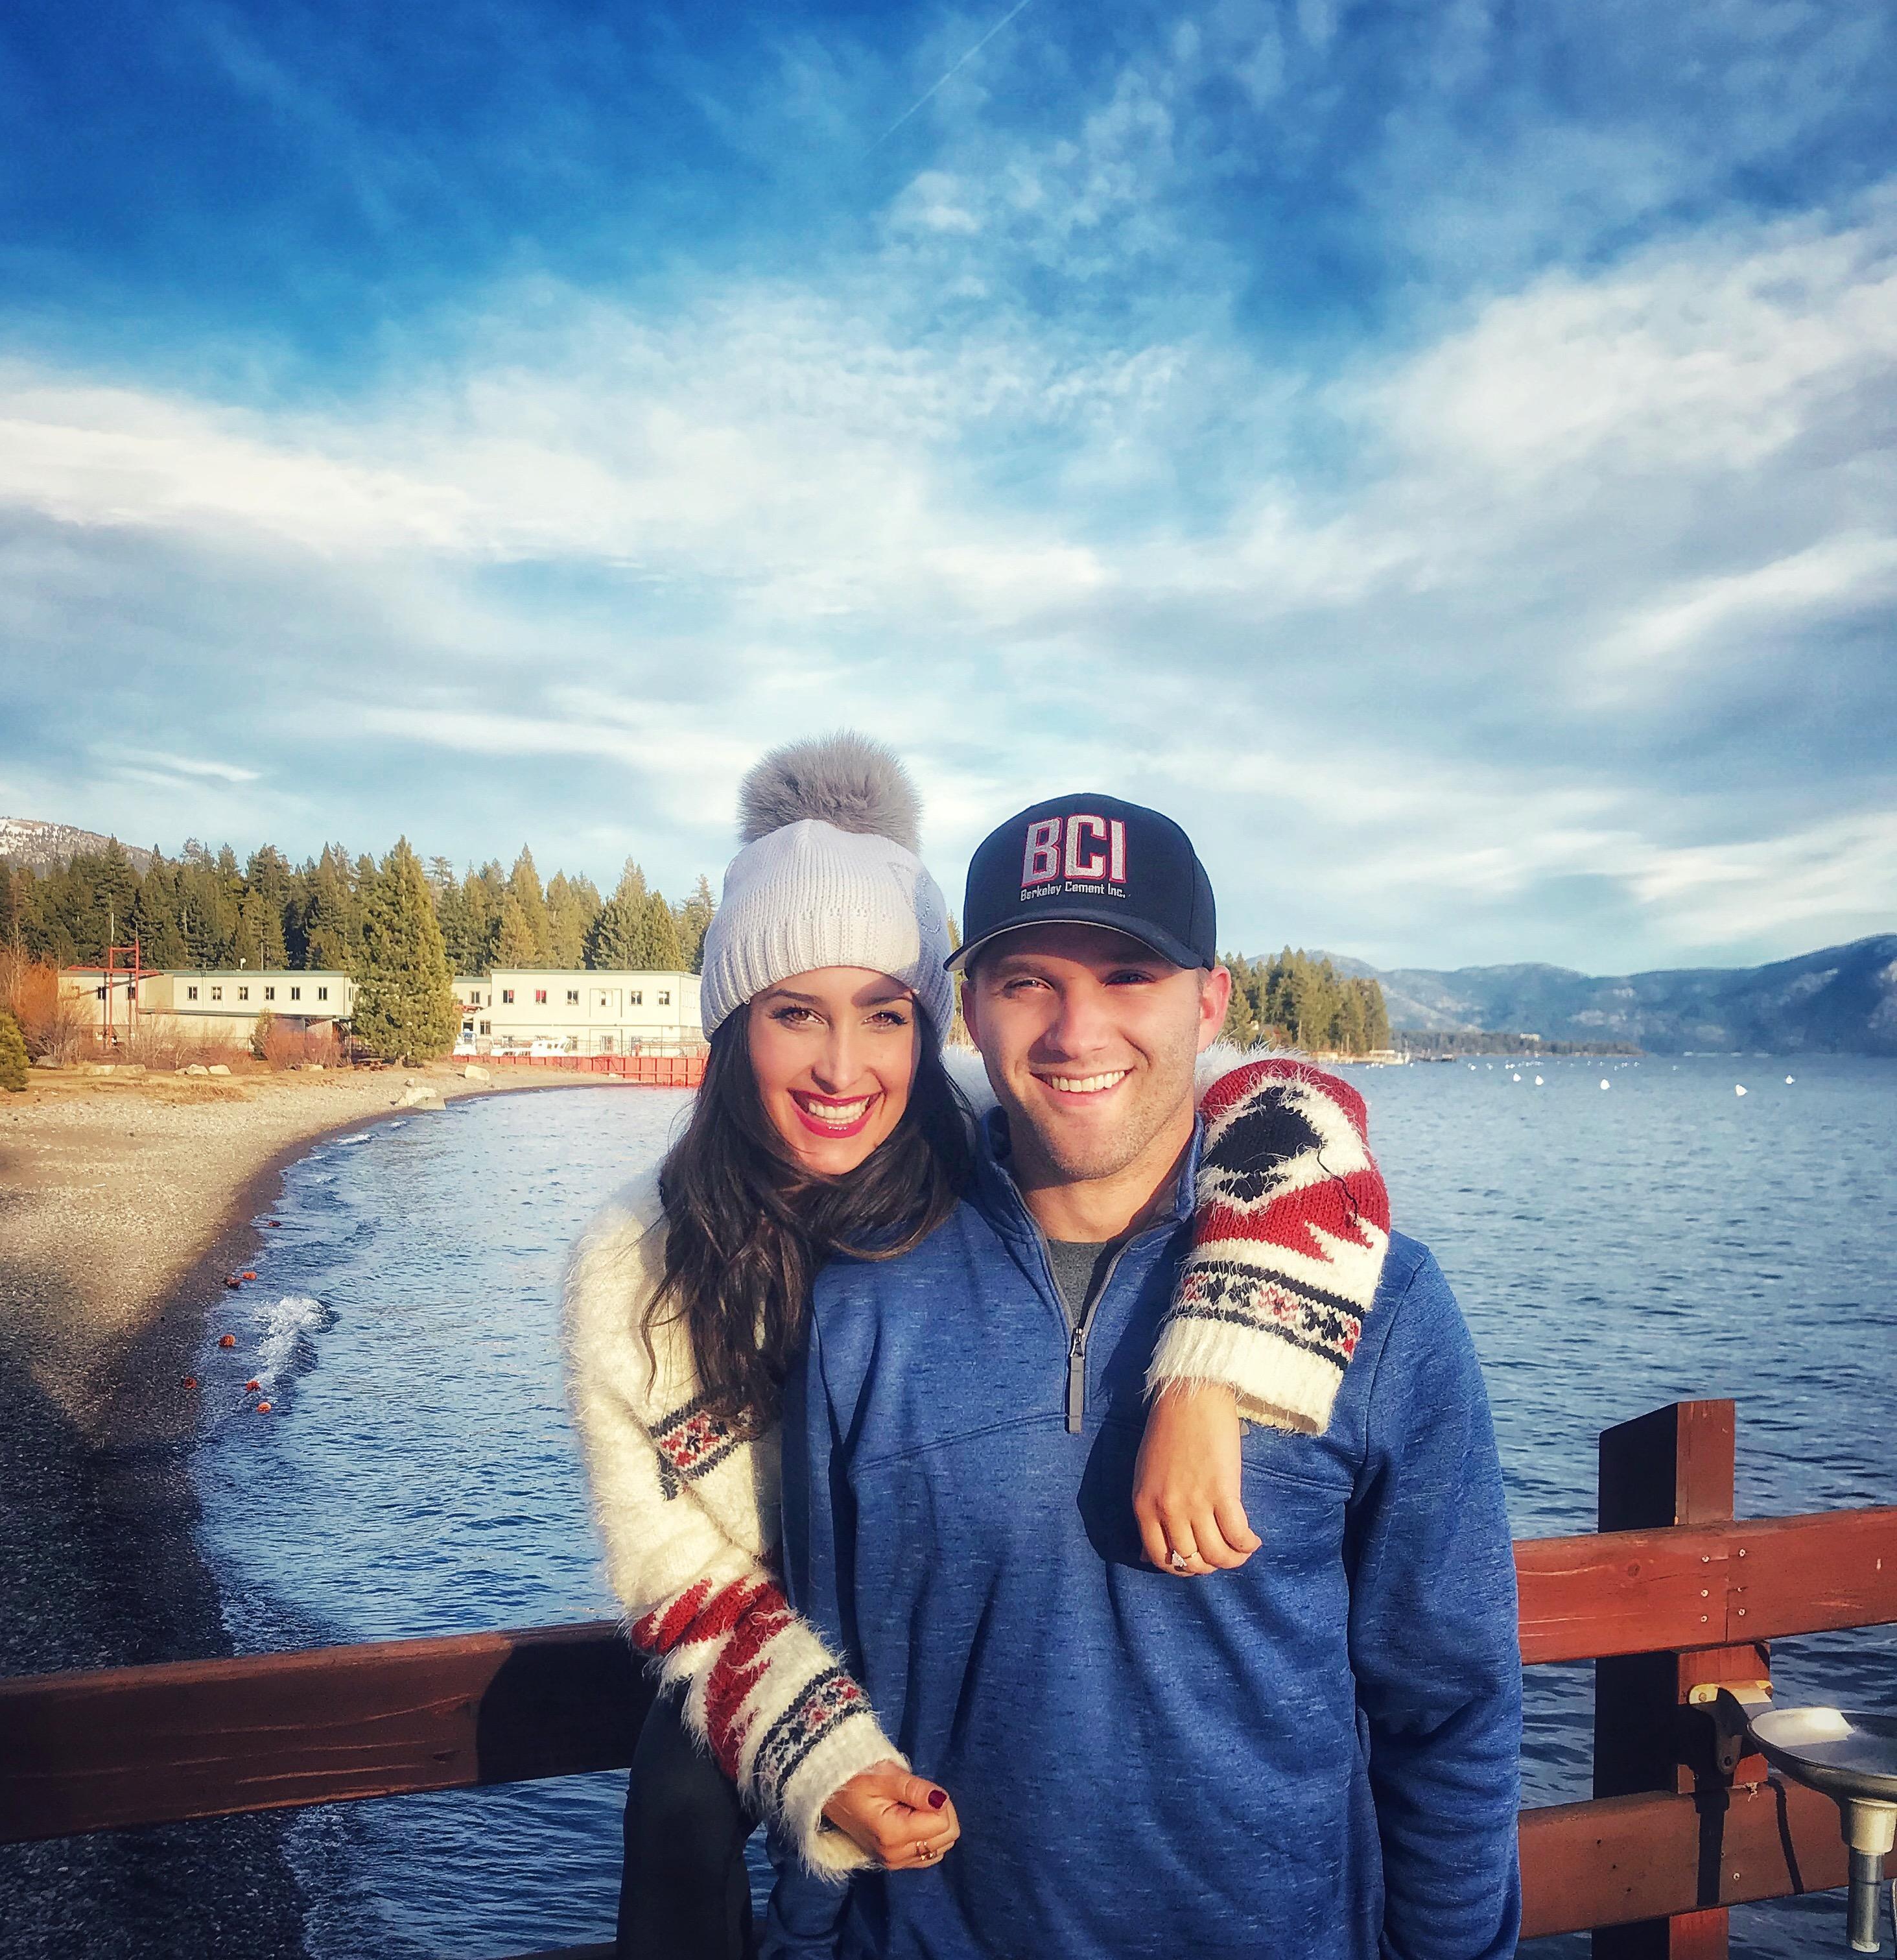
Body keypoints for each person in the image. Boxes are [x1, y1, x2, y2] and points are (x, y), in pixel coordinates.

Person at [563, 746, 1404, 1959]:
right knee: (680, 1801)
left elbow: (1290, 1110)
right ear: (731, 1027)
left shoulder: (975, 1128)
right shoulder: (633, 1272)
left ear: (930, 1023)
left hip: (958, 1634)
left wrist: (1216, 1366)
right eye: (795, 1013)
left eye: (884, 1014)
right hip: (791, 1633)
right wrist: (824, 1757)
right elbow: (676, 1575)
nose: (843, 1067)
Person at [768, 792, 1523, 1960]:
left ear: (1210, 1001)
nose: (1078, 1032)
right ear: (969, 1007)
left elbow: (1451, 1703)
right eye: (1028, 981)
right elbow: (827, 1672)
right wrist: (801, 1939)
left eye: (1130, 975)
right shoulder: (864, 1299)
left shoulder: (1382, 1306)